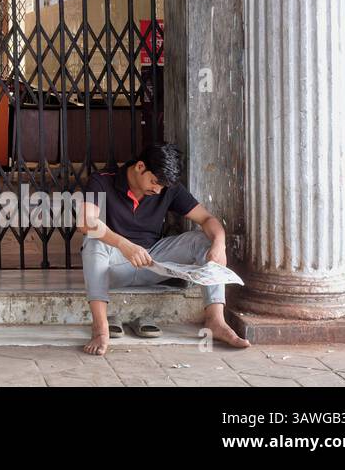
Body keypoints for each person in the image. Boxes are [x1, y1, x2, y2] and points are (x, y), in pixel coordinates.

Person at [78, 142, 250, 356]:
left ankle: (215, 320)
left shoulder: (167, 188)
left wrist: (219, 245)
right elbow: (85, 221)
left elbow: (207, 219)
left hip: (152, 263)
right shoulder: (102, 181)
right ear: (140, 167)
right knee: (94, 241)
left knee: (202, 240)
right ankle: (100, 328)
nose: (157, 190)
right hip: (113, 267)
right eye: (154, 182)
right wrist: (124, 245)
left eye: (162, 186)